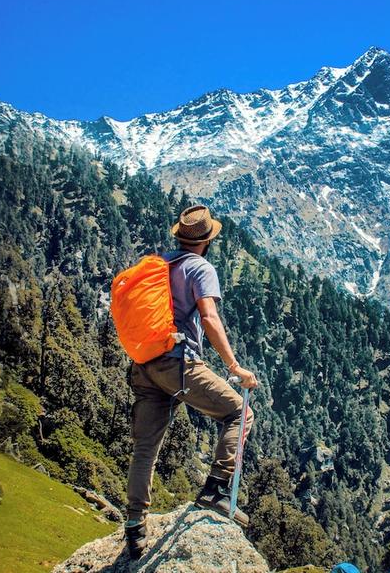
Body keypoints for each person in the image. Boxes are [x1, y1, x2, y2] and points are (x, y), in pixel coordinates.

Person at [124, 205, 258, 559]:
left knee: (145, 448)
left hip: (145, 364)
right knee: (238, 413)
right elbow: (209, 317)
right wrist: (234, 367)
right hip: (178, 363)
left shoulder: (161, 264)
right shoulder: (200, 267)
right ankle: (215, 490)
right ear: (207, 240)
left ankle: (135, 525)